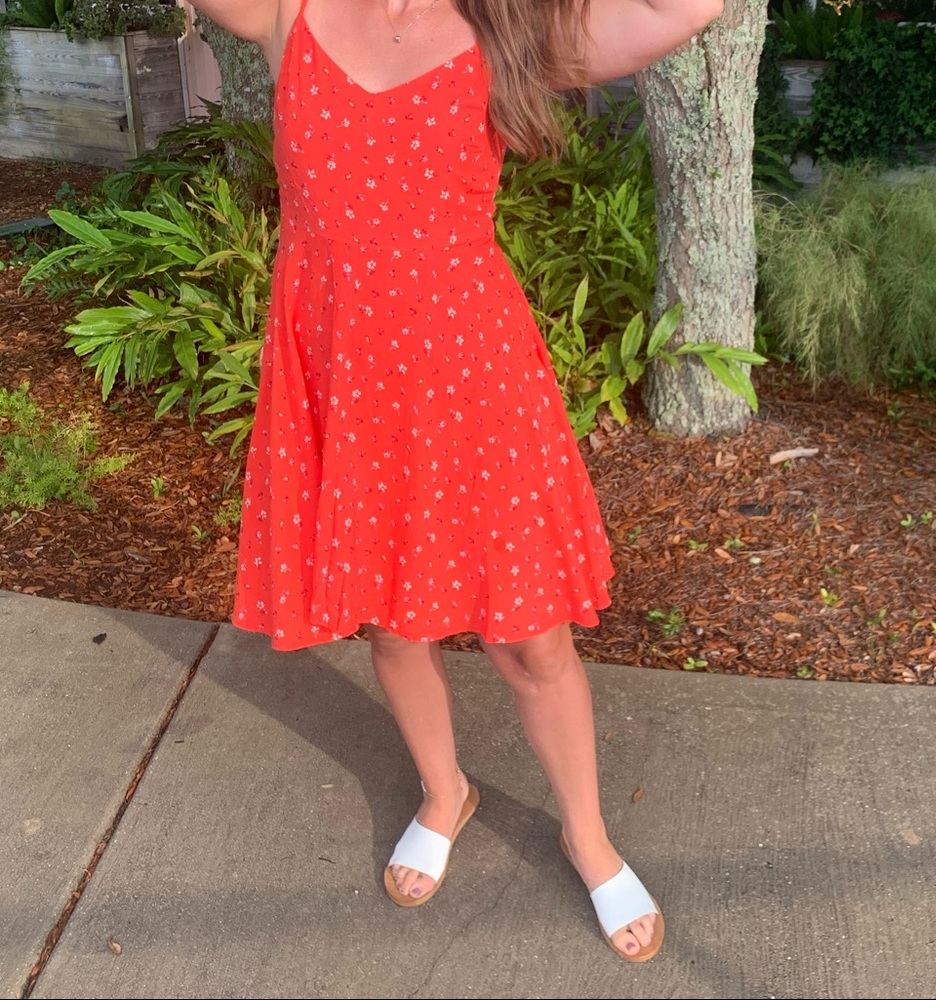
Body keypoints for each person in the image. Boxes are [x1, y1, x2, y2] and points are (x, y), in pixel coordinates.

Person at [190, 0, 723, 962]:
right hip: (346, 386)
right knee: (396, 624)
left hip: (473, 386)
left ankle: (586, 835)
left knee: (531, 641)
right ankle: (447, 793)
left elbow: (686, 9)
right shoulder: (288, 13)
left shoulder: (511, 30)